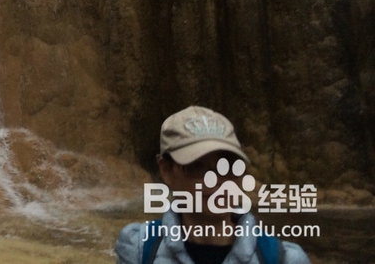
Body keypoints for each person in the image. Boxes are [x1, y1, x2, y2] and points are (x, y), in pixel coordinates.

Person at [115, 105, 310, 264]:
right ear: (166, 170)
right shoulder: (139, 250)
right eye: (197, 166)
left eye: (229, 166)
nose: (216, 180)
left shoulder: (285, 259)